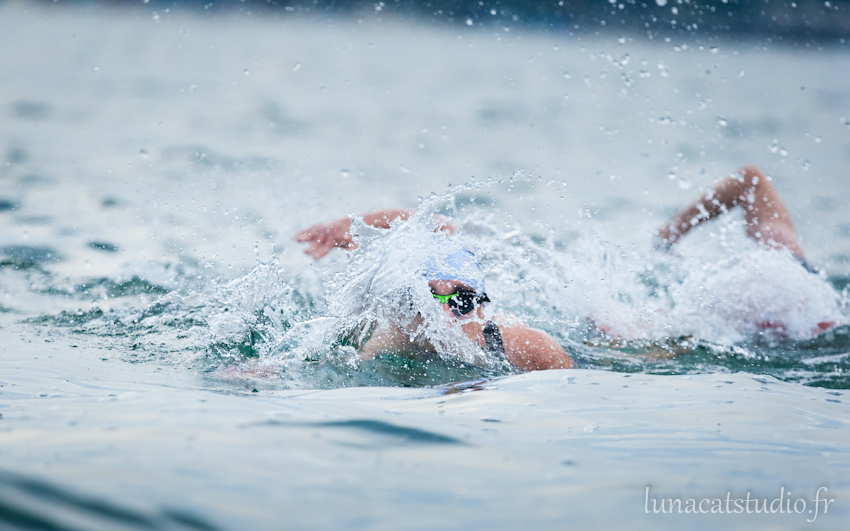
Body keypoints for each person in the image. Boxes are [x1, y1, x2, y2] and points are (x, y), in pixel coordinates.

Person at [294, 211, 576, 371]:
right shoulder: (393, 338)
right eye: (429, 298)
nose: (443, 312)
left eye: (461, 301)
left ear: (481, 303)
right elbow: (314, 364)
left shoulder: (527, 347)